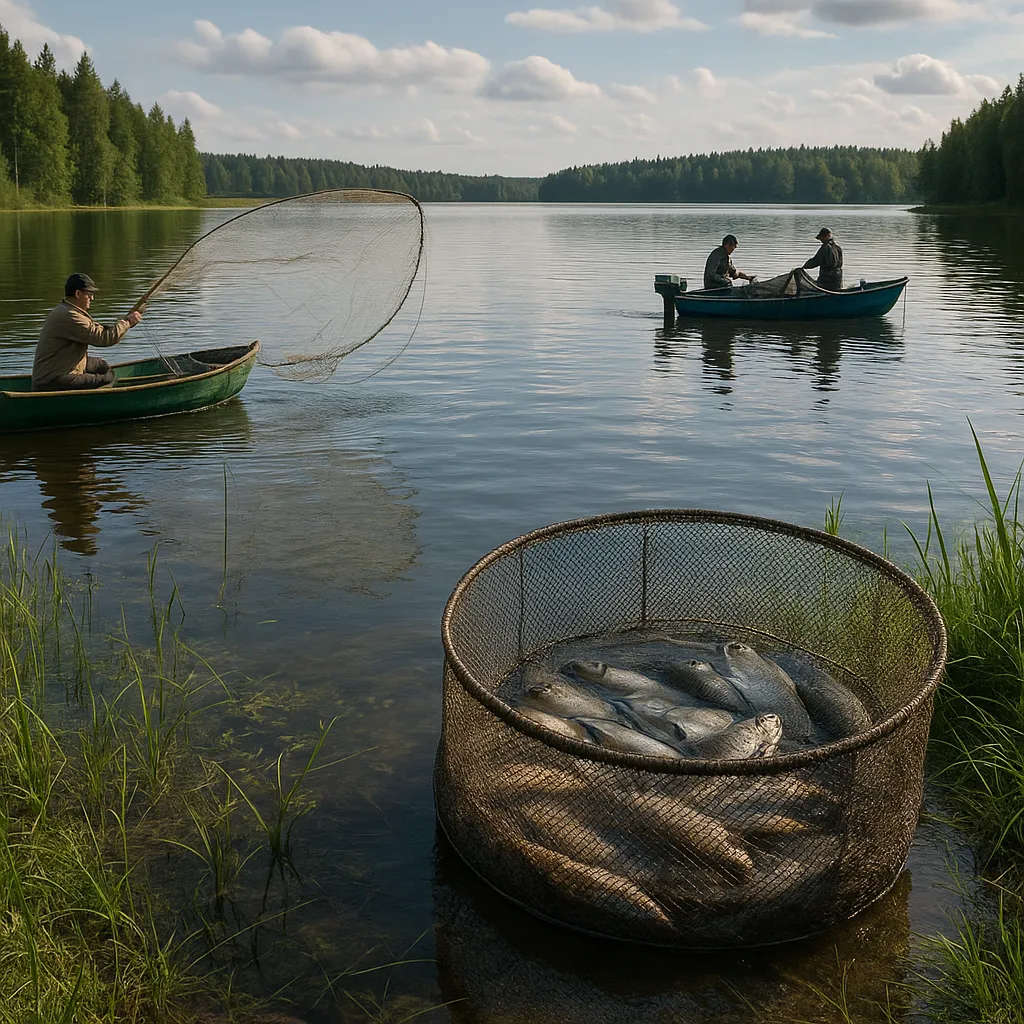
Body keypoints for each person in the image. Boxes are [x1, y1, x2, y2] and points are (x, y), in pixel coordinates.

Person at [32, 273, 143, 391]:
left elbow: (99, 330)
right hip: (51, 380)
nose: (92, 298)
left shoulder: (68, 310)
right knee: (107, 378)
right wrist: (127, 323)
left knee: (102, 365)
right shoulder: (70, 316)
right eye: (89, 294)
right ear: (78, 294)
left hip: (60, 367)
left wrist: (124, 323)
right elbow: (104, 338)